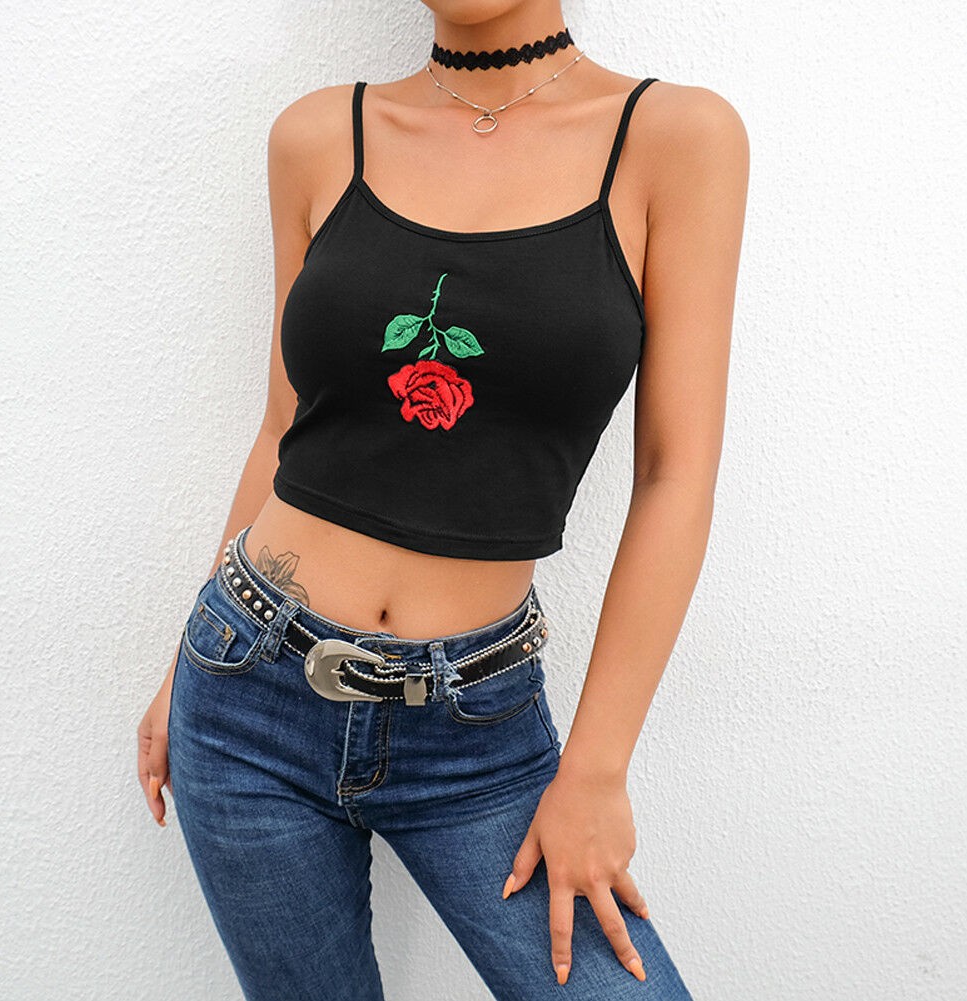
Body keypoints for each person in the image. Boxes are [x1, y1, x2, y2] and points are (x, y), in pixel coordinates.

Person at [136, 2, 749, 998]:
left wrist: (595, 770)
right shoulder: (317, 136)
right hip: (244, 690)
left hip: (475, 729)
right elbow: (286, 425)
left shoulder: (674, 138)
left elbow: (674, 472)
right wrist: (186, 663)